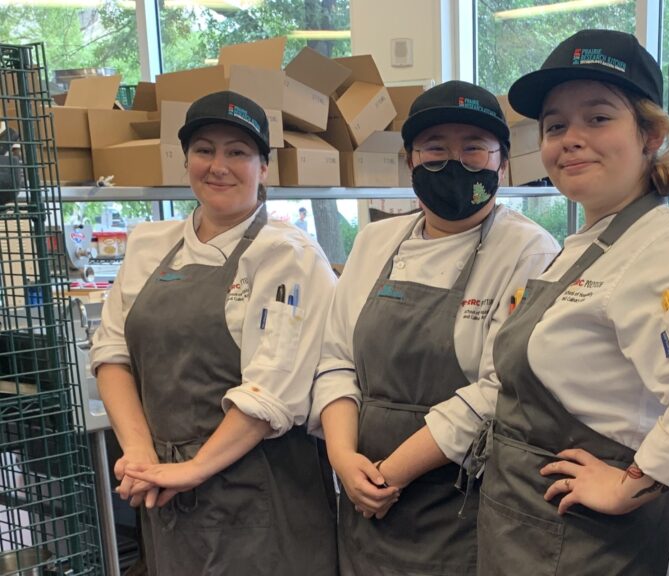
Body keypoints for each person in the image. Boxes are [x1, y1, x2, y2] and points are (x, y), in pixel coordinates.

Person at [477, 29, 669, 575]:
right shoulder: (589, 245)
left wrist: (631, 485)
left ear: (650, 135)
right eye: (556, 126)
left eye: (598, 118)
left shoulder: (668, 248)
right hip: (530, 526)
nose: (570, 139)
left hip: (591, 544)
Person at [311, 80, 560, 576]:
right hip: (364, 502)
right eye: (435, 149)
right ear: (410, 161)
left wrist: (390, 475)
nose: (454, 162)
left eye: (473, 148)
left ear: (502, 163)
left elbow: (499, 390)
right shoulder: (375, 242)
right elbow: (336, 359)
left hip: (460, 504)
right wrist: (343, 458)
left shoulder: (530, 253)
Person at [90, 91, 338, 575]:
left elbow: (272, 393)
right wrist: (140, 451)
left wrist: (192, 470)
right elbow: (113, 352)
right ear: (186, 160)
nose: (218, 165)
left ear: (264, 167)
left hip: (261, 495)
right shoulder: (149, 244)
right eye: (204, 149)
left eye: (238, 152)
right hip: (167, 492)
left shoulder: (288, 256)